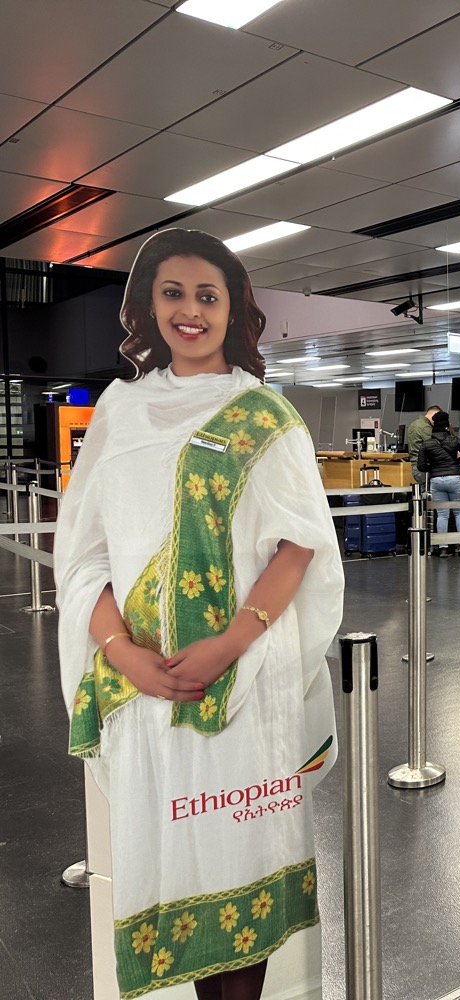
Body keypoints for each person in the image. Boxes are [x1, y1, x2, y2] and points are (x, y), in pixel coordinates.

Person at [55, 228, 343, 1000]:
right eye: (173, 293)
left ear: (233, 309)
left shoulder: (262, 413)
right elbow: (85, 554)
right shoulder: (118, 412)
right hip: (148, 692)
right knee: (176, 874)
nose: (190, 311)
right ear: (147, 306)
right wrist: (120, 652)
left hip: (243, 684)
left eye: (207, 296)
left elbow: (299, 544)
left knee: (240, 866)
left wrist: (229, 643)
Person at [418, 410, 460, 556]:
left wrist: (434, 467)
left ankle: (443, 547)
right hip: (454, 478)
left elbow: (421, 466)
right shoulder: (454, 440)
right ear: (447, 425)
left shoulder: (427, 444)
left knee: (442, 514)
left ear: (434, 425)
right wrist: (457, 461)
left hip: (436, 480)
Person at [406, 404, 440, 485]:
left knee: (423, 493)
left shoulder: (415, 423)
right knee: (428, 494)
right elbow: (434, 445)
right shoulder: (425, 427)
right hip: (424, 467)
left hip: (416, 466)